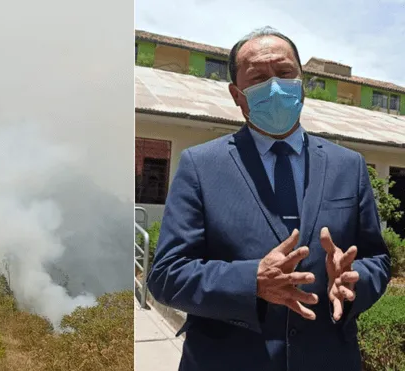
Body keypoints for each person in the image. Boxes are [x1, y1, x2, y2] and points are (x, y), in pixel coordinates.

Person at [146, 26, 391, 371]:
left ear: (302, 83)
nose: (275, 87)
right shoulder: (200, 165)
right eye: (259, 77)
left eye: (285, 73)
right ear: (237, 94)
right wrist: (251, 282)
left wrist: (355, 280)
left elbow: (376, 257)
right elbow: (167, 275)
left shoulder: (348, 166)